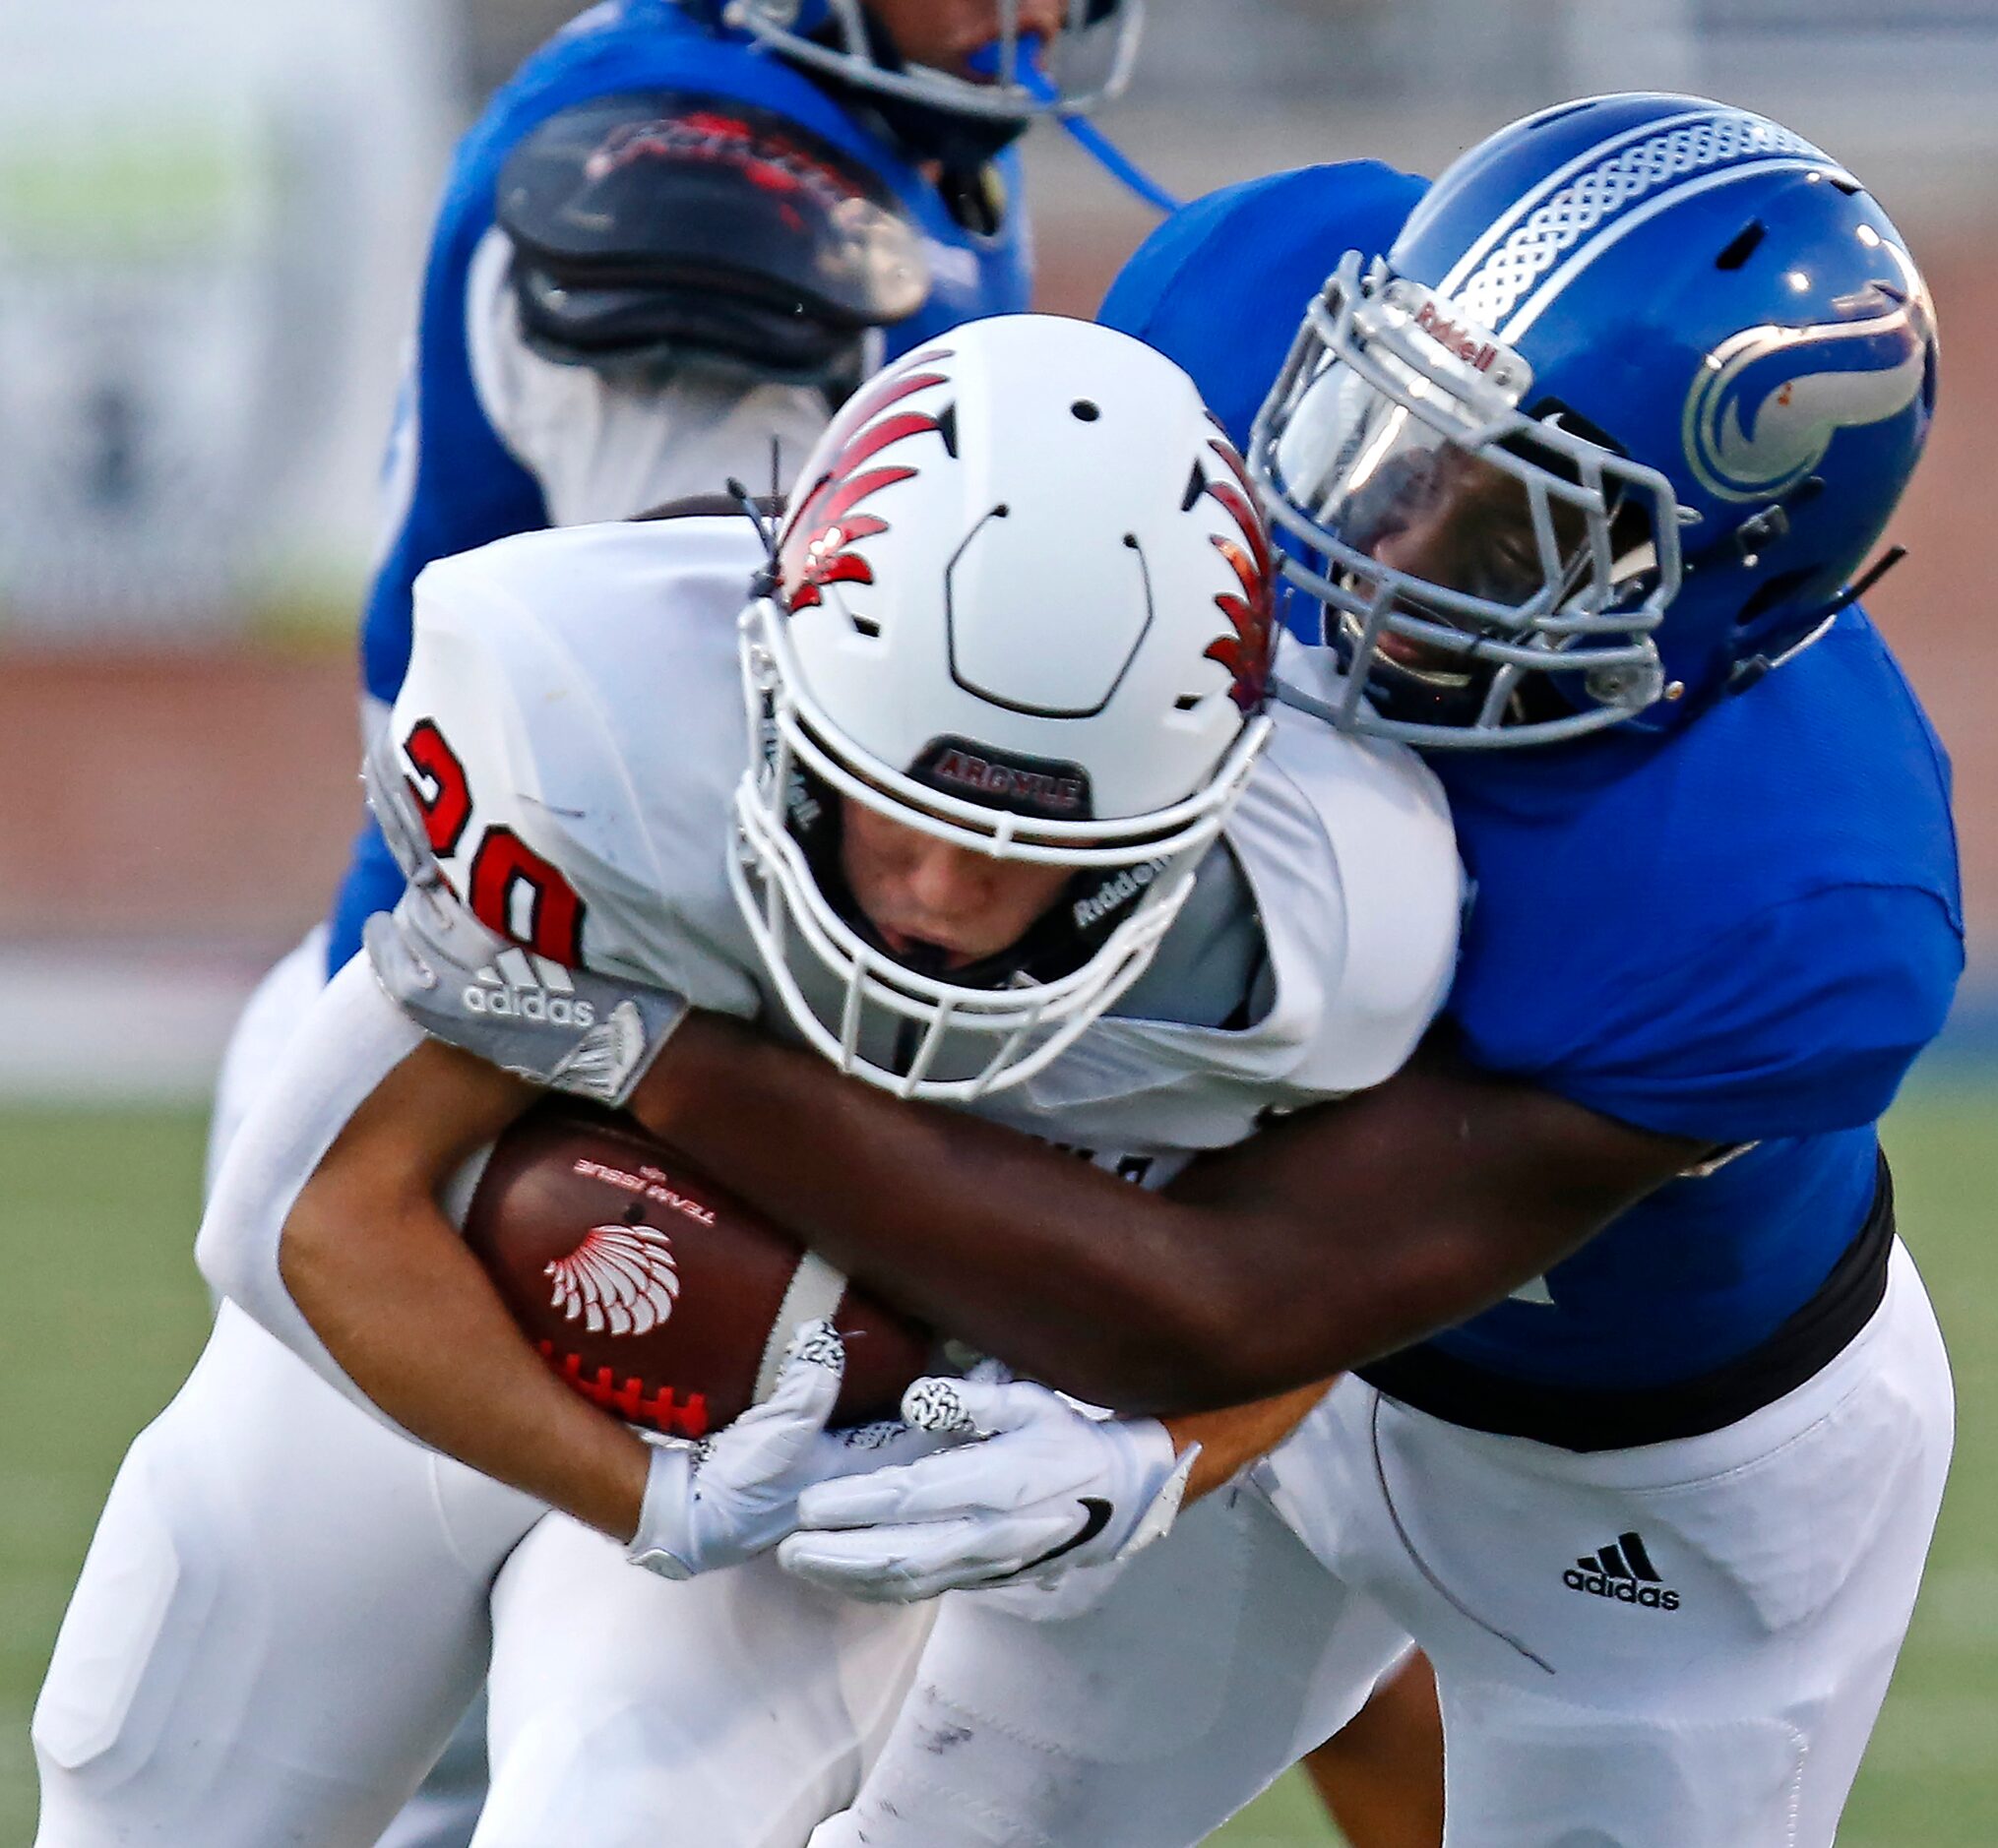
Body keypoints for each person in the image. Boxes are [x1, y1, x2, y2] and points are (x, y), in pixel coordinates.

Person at [390, 95, 1963, 1848]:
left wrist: (658, 1050)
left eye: (1514, 532)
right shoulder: (1251, 288)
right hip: (1202, 1322)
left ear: (1726, 604)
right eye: (1389, 434)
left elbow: (1237, 1292)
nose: (1391, 541)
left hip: (1631, 1465)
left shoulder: (1790, 894)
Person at [35, 316, 1462, 1848]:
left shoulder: (1316, 935)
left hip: (813, 1480)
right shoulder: (602, 734)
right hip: (414, 1364)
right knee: (152, 1792)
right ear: (776, 678)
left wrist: (1151, 1458)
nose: (937, 892)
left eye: (1036, 848)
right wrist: (647, 1493)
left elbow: (1317, 1292)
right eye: (888, 804)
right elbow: (302, 1213)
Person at [208, 0, 1146, 1172]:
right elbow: (667, 741)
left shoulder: (862, 119)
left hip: (575, 1006)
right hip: (522, 1043)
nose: (1042, 13)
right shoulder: (698, 191)